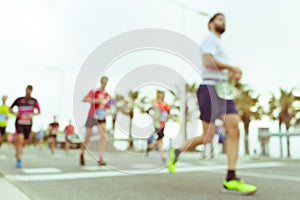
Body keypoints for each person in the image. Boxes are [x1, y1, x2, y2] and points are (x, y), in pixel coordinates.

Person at [168, 13, 257, 195]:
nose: (222, 22)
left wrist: (232, 74)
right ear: (210, 24)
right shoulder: (209, 39)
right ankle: (177, 151)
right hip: (209, 89)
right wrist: (231, 67)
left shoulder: (219, 45)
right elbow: (208, 63)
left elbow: (219, 69)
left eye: (224, 19)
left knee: (234, 128)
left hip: (221, 88)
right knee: (208, 137)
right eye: (219, 19)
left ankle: (231, 178)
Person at [80, 76, 111, 166]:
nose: (105, 84)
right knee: (88, 137)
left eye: (106, 82)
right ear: (101, 82)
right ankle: (82, 153)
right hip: (92, 116)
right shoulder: (94, 91)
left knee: (104, 135)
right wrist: (96, 100)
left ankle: (100, 158)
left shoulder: (107, 94)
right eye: (103, 82)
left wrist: (109, 104)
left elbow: (111, 104)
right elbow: (84, 99)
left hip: (101, 117)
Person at [10, 85, 41, 168]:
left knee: (24, 141)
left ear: (32, 91)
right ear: (26, 90)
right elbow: (10, 108)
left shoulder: (34, 101)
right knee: (20, 138)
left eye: (30, 89)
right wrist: (15, 113)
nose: (29, 91)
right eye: (28, 89)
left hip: (28, 123)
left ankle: (18, 150)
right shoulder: (19, 100)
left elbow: (39, 111)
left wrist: (33, 114)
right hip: (19, 122)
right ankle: (19, 159)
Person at [146, 90, 170, 162]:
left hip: (163, 124)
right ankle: (162, 156)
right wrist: (153, 116)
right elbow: (148, 111)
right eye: (160, 94)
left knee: (160, 140)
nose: (161, 95)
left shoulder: (166, 104)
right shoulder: (155, 103)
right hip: (157, 124)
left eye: (162, 94)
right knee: (160, 138)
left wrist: (167, 118)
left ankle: (150, 147)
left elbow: (168, 113)